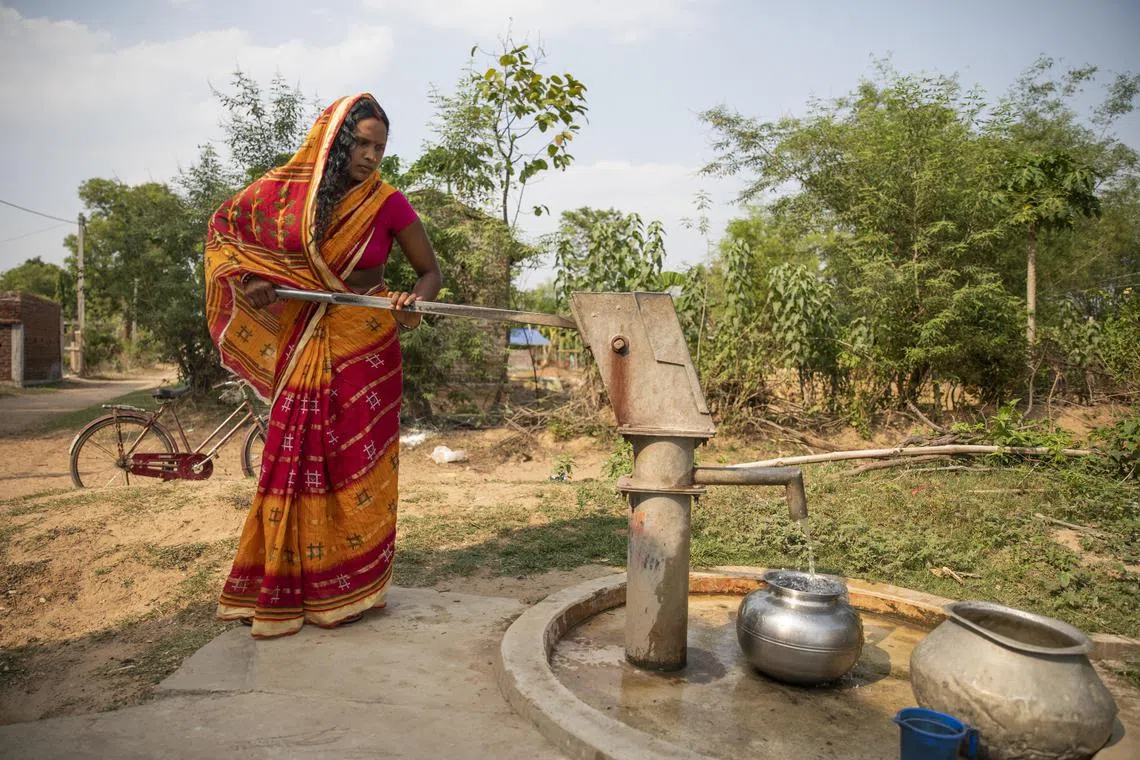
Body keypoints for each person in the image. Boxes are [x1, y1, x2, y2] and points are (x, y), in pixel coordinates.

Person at [204, 93, 442, 638]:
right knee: (293, 457)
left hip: (369, 346)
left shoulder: (389, 203)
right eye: (360, 143)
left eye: (379, 147)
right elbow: (224, 235)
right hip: (307, 337)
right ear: (334, 142)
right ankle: (290, 588)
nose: (370, 156)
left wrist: (413, 304)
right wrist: (250, 280)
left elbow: (429, 273)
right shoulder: (293, 199)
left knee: (358, 463)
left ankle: (351, 590)